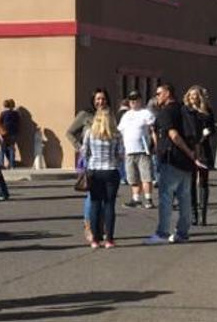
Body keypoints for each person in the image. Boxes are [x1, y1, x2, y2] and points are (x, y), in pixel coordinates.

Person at [144, 83, 204, 245]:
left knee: (166, 197)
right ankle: (182, 233)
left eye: (159, 93)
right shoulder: (184, 109)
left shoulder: (166, 112)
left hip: (172, 159)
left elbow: (174, 135)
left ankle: (162, 233)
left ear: (167, 93)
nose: (157, 97)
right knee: (185, 198)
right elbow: (196, 133)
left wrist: (187, 151)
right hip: (186, 163)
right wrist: (193, 154)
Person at [66, 89, 109, 244]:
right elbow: (70, 132)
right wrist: (80, 148)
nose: (100, 102)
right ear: (93, 100)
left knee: (105, 196)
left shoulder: (109, 115)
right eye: (97, 99)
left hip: (107, 162)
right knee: (92, 195)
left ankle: (102, 226)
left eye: (103, 99)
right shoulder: (85, 115)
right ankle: (89, 226)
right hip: (89, 161)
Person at [81, 109, 124, 248]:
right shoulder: (116, 134)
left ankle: (94, 240)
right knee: (109, 205)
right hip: (111, 170)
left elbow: (84, 152)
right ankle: (109, 240)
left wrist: (90, 161)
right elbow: (121, 154)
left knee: (95, 204)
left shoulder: (90, 133)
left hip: (95, 171)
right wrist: (115, 160)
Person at [182, 86, 217, 226]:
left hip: (203, 148)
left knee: (203, 181)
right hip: (190, 147)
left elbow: (213, 128)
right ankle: (193, 215)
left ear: (200, 97)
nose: (192, 98)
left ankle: (203, 215)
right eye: (190, 96)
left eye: (195, 96)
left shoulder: (207, 111)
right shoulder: (185, 111)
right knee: (190, 182)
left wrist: (209, 131)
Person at [117, 90, 155, 209]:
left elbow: (153, 129)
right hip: (129, 151)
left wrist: (155, 145)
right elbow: (120, 131)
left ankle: (148, 199)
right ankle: (136, 199)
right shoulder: (126, 115)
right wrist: (120, 148)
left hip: (143, 150)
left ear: (140, 100)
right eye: (131, 100)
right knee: (133, 177)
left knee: (146, 176)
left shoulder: (146, 113)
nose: (133, 102)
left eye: (136, 100)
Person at [0, 99, 20, 170]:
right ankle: (12, 164)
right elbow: (18, 121)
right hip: (13, 132)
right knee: (12, 148)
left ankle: (1, 164)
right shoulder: (16, 113)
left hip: (5, 133)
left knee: (3, 149)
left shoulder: (3, 113)